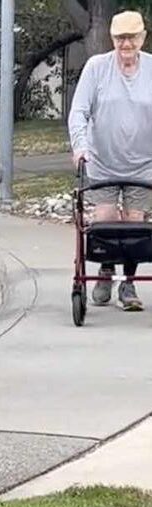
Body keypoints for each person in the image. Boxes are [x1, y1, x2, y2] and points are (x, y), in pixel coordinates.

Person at [68, 10, 152, 311]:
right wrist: (80, 147)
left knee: (134, 227)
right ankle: (105, 270)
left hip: (143, 164)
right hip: (102, 161)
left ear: (142, 37)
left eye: (131, 37)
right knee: (104, 222)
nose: (126, 44)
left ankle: (128, 285)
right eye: (120, 38)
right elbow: (79, 111)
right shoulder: (97, 68)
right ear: (112, 39)